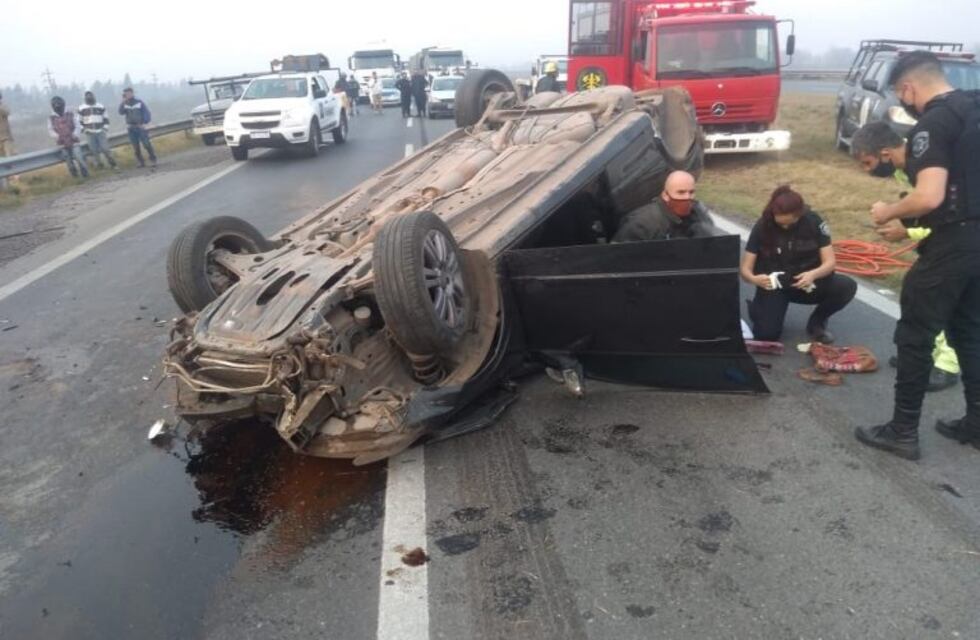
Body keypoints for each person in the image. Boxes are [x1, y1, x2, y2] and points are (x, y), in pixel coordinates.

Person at [853, 51, 980, 460]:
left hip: (955, 241)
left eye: (900, 94)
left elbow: (929, 195)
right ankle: (977, 423)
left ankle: (902, 430)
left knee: (915, 335)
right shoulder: (973, 108)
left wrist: (888, 211)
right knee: (968, 330)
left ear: (907, 88)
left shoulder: (934, 122)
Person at [850, 121, 959, 392]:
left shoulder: (927, 165)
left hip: (963, 237)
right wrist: (908, 230)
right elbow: (928, 216)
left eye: (867, 163)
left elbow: (946, 214)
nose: (867, 170)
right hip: (947, 235)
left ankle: (947, 366)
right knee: (923, 296)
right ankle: (923, 354)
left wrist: (902, 224)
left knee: (949, 300)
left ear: (885, 154)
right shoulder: (906, 170)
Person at [740, 185, 857, 343]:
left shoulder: (814, 221)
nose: (785, 227)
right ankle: (759, 309)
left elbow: (830, 263)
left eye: (790, 223)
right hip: (776, 286)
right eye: (781, 224)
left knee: (846, 286)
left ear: (799, 214)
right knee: (766, 335)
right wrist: (754, 279)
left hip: (806, 282)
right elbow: (745, 269)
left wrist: (813, 274)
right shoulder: (763, 226)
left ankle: (817, 322)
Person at [613, 170, 719, 242]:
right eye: (681, 192)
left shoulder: (699, 215)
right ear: (665, 195)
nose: (687, 197)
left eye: (691, 192)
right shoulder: (641, 224)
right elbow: (618, 259)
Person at [47, 96, 89, 179]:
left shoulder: (70, 113)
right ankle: (76, 178)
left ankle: (86, 175)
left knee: (79, 158)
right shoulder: (51, 118)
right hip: (62, 143)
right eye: (55, 106)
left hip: (74, 141)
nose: (58, 107)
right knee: (69, 163)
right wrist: (58, 136)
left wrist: (75, 134)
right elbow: (50, 130)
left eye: (59, 105)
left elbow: (78, 125)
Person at [77, 91, 117, 170]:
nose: (89, 98)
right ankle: (100, 166)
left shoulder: (100, 106)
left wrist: (105, 128)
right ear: (85, 98)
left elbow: (106, 118)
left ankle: (113, 164)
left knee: (105, 149)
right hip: (89, 132)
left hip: (100, 131)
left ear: (94, 97)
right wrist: (84, 130)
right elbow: (79, 121)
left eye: (90, 96)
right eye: (87, 96)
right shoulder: (81, 108)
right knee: (94, 151)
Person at [119, 87, 157, 167]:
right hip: (131, 127)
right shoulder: (125, 104)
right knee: (135, 147)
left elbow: (146, 113)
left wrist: (144, 122)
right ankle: (141, 162)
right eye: (126, 94)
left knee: (146, 144)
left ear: (132, 93)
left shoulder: (139, 102)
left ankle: (153, 159)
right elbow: (120, 112)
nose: (128, 95)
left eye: (129, 93)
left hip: (140, 127)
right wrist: (122, 102)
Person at [0, 91, 16, 191]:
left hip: (5, 138)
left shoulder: (3, 106)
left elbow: (7, 112)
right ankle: (4, 187)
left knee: (9, 162)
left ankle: (13, 185)